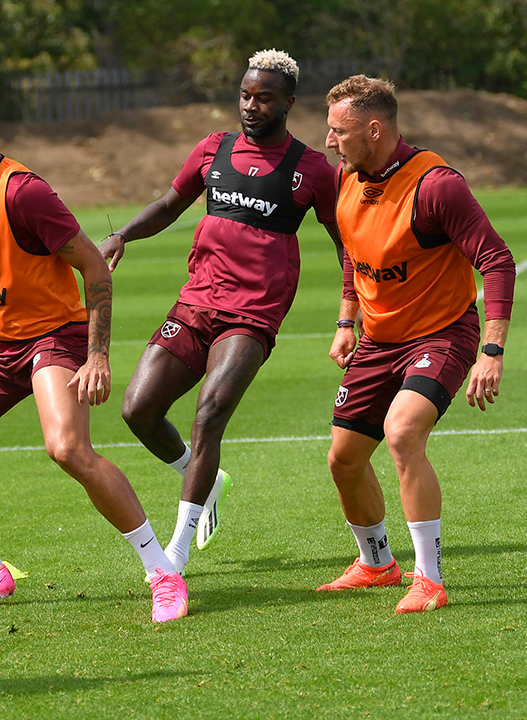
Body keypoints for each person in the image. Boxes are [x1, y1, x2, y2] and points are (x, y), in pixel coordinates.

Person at [0, 84, 188, 623]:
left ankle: (164, 573)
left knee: (68, 449)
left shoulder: (23, 191)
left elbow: (95, 268)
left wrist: (98, 357)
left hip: (57, 335)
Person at [99, 49, 340, 574]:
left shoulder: (313, 169)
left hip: (253, 313)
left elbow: (347, 239)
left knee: (209, 415)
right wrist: (123, 235)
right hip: (196, 301)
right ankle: (206, 479)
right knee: (137, 410)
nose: (251, 106)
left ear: (289, 103)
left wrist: (353, 309)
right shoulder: (214, 149)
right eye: (245, 95)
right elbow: (168, 205)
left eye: (264, 98)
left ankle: (176, 555)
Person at [317, 74, 516, 613]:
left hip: (442, 334)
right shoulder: (346, 179)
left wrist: (491, 352)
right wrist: (345, 318)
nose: (329, 141)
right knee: (343, 459)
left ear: (374, 129)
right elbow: (354, 255)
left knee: (401, 432)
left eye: (340, 131)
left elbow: (497, 260)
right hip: (379, 341)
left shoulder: (436, 185)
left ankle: (429, 578)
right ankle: (377, 563)